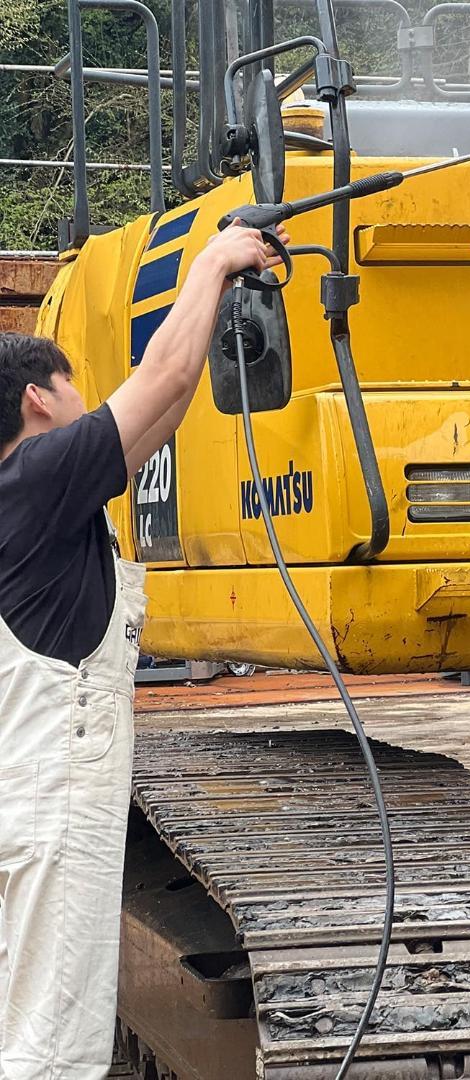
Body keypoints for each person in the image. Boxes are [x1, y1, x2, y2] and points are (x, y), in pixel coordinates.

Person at [0, 222, 285, 1078]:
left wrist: (211, 311)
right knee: (51, 1045)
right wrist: (214, 260)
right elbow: (158, 380)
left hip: (34, 792)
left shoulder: (31, 498)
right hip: (52, 803)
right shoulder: (39, 478)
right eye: (74, 387)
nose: (88, 402)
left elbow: (162, 409)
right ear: (38, 400)